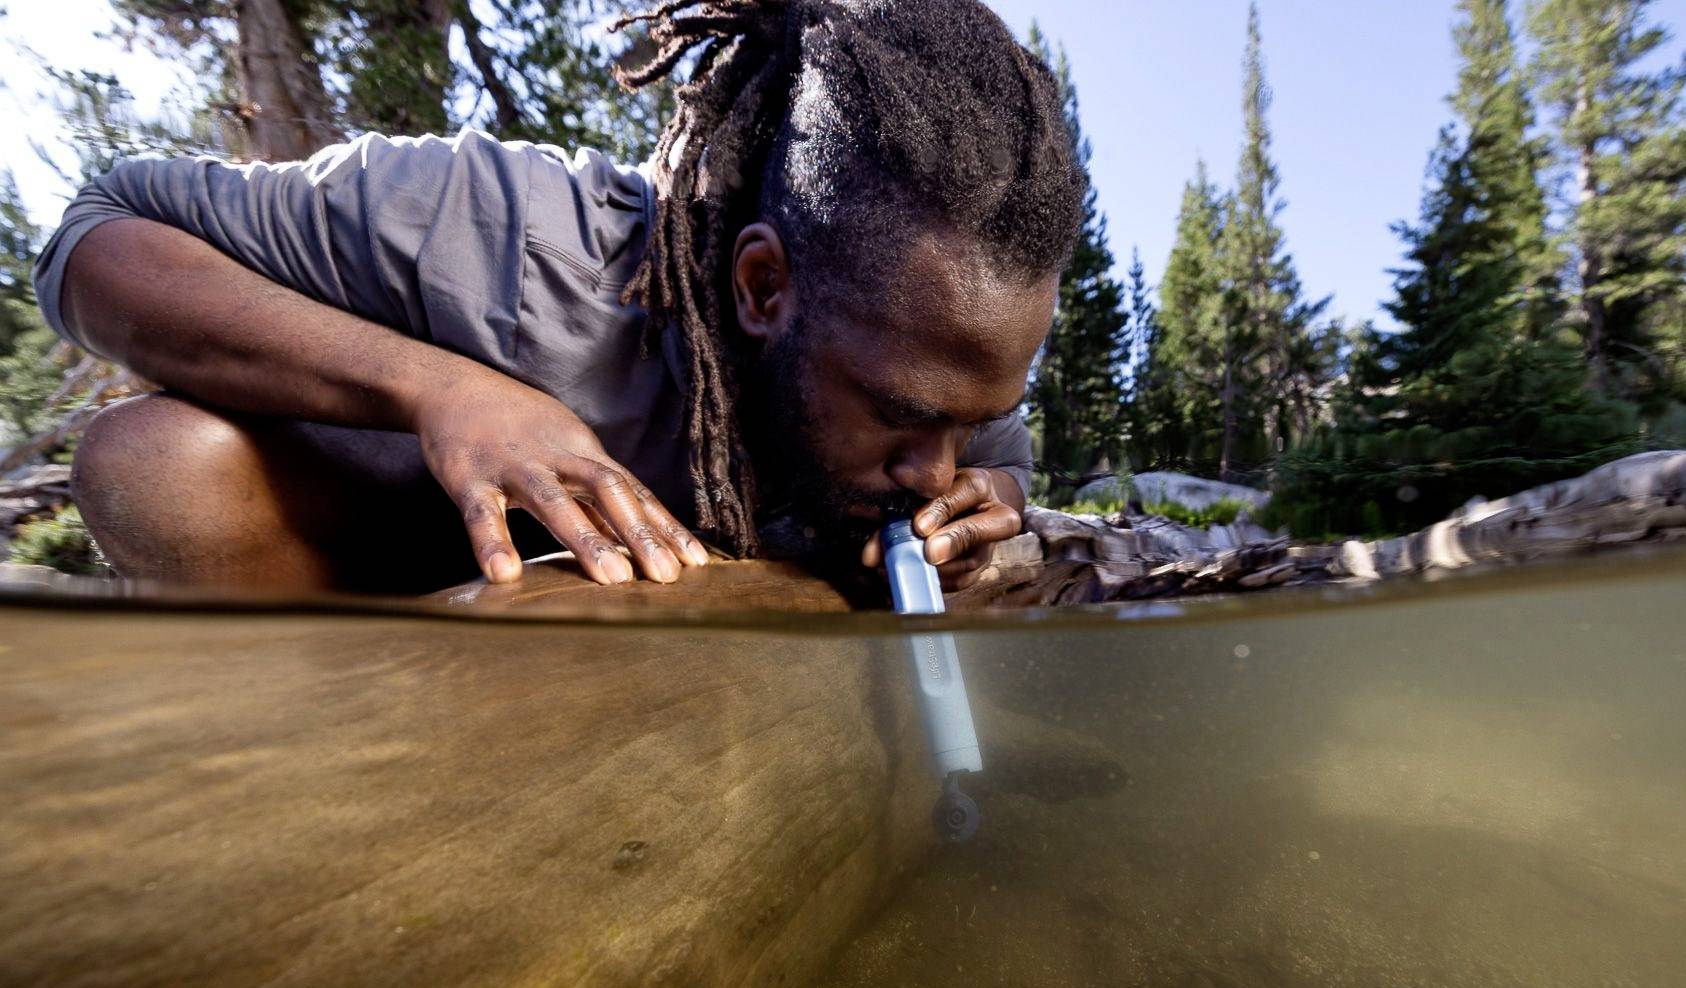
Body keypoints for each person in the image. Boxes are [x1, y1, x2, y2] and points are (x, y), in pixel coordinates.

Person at [33, 0, 1084, 594]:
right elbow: (92, 243)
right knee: (161, 468)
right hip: (410, 591)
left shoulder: (932, 362)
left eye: (974, 420)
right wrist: (438, 394)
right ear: (763, 286)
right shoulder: (499, 230)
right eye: (903, 415)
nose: (936, 463)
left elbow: (980, 467)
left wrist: (990, 508)